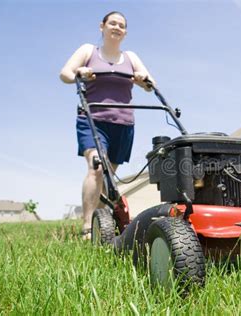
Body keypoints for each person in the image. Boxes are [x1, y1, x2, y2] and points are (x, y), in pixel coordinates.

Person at [60, 11, 155, 239]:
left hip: (123, 123)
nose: (116, 27)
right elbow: (65, 74)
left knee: (108, 178)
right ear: (102, 26)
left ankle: (100, 227)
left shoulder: (131, 57)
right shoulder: (88, 51)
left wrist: (142, 79)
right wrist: (79, 73)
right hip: (93, 119)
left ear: (125, 32)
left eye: (121, 25)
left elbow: (151, 84)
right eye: (112, 23)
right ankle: (86, 227)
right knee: (96, 168)